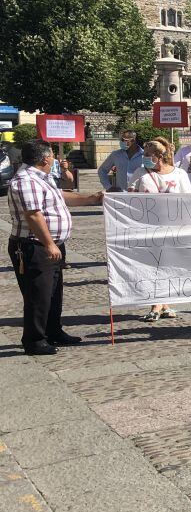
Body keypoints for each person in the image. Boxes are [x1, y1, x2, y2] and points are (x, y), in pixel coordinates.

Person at [8, 141, 103, 355]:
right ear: (45, 159)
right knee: (38, 295)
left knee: (53, 292)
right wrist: (49, 243)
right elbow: (33, 214)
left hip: (51, 245)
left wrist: (92, 199)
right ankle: (34, 340)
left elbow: (60, 196)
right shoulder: (27, 181)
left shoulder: (42, 178)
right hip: (35, 246)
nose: (53, 159)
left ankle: (53, 331)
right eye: (51, 155)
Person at [130, 139, 191, 321]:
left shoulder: (179, 174)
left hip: (172, 228)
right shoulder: (140, 173)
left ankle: (165, 303)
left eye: (149, 156)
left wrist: (186, 227)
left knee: (167, 266)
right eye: (144, 155)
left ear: (159, 157)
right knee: (152, 266)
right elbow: (129, 198)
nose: (145, 158)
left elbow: (187, 201)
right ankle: (155, 304)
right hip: (148, 227)